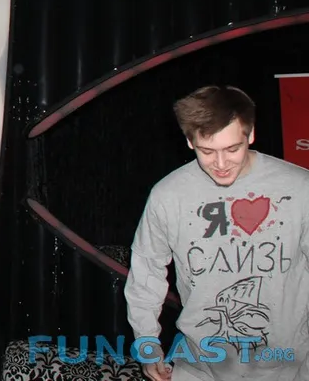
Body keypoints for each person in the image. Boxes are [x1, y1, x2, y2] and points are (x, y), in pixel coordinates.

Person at [124, 86, 309, 381]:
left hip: (289, 367)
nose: (221, 164)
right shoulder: (168, 195)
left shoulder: (300, 188)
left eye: (232, 149)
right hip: (200, 366)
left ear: (250, 135)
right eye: (207, 151)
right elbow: (146, 274)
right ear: (189, 141)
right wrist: (148, 345)